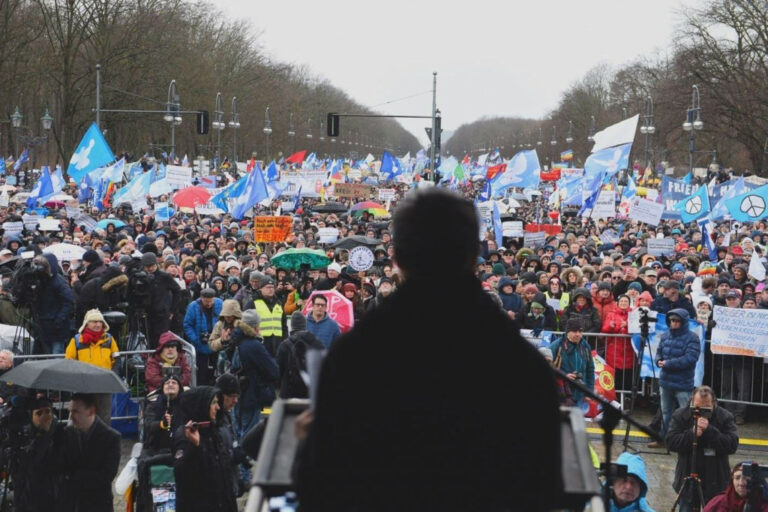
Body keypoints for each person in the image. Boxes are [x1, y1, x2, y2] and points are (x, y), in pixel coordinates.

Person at [296, 188, 561, 510]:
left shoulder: (354, 358)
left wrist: (307, 443)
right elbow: (543, 488)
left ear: (397, 259)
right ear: (473, 257)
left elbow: (319, 486)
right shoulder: (524, 367)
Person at [666, 386, 739, 508]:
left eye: (706, 408)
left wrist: (710, 431)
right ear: (691, 401)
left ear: (714, 404)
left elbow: (732, 445)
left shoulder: (725, 417)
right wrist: (691, 434)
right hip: (688, 475)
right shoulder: (680, 415)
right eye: (696, 408)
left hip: (715, 479)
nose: (700, 412)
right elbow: (671, 442)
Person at [173, 386, 238, 512]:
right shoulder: (185, 434)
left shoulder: (214, 432)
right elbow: (181, 474)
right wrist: (194, 446)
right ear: (201, 405)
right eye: (213, 403)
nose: (218, 407)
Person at [59, 393, 121, 512]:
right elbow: (60, 468)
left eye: (76, 412)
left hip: (97, 504)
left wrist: (74, 476)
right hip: (70, 503)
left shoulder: (111, 438)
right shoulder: (66, 433)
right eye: (70, 411)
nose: (71, 417)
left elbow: (106, 476)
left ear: (91, 411)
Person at [649, 308, 701, 448]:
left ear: (683, 322)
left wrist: (668, 363)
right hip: (666, 381)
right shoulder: (665, 336)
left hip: (683, 383)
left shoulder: (693, 338)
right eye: (672, 320)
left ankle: (686, 442)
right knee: (666, 413)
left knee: (686, 414)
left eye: (677, 321)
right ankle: (663, 439)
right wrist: (659, 360)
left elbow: (690, 358)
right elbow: (659, 352)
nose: (674, 323)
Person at [11, 396, 64, 512]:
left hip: (53, 497)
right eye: (39, 413)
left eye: (48, 412)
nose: (45, 417)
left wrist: (46, 435)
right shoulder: (25, 437)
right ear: (32, 417)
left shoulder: (61, 434)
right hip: (28, 499)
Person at [65, 309, 118, 425]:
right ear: (86, 323)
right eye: (94, 321)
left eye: (100, 322)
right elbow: (69, 362)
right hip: (84, 386)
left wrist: (112, 377)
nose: (98, 324)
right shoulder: (76, 341)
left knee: (104, 417)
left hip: (104, 385)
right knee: (82, 416)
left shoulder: (109, 339)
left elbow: (116, 360)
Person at [230, 309, 279, 435]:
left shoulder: (235, 339)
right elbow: (273, 370)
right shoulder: (253, 345)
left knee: (238, 430)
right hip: (252, 394)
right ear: (255, 326)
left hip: (236, 393)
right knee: (250, 434)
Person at [33, 253, 75, 354]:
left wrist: (59, 320)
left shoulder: (59, 282)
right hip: (43, 326)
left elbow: (68, 302)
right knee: (47, 356)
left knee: (56, 356)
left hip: (57, 328)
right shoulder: (40, 281)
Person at [276, 311, 324, 398]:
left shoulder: (284, 345)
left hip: (289, 392)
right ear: (305, 325)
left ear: (292, 326)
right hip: (310, 391)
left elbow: (278, 371)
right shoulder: (316, 343)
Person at [549, 318, 595, 406]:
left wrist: (589, 392)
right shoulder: (556, 346)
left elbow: (590, 369)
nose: (577, 334)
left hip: (580, 393)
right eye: (574, 331)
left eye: (580, 331)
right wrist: (564, 376)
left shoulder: (585, 346)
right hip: (562, 394)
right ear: (567, 332)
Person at [140, 251, 182, 348]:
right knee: (148, 342)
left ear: (156, 264)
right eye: (147, 266)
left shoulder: (164, 277)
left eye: (152, 265)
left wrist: (172, 310)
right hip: (146, 315)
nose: (150, 268)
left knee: (161, 342)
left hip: (161, 315)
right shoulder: (141, 277)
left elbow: (177, 291)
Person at [183, 287, 223, 385]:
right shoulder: (193, 306)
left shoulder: (220, 304)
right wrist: (195, 339)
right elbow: (187, 324)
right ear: (201, 298)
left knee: (215, 370)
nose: (208, 304)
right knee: (201, 371)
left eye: (211, 301)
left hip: (216, 342)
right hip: (200, 343)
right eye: (206, 301)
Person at [703, 462, 768, 511]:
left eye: (747, 479)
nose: (741, 483)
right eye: (737, 478)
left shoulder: (764, 504)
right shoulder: (718, 503)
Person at [251, 277, 285, 357]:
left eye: (272, 287)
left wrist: (284, 341)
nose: (271, 289)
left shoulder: (279, 303)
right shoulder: (253, 303)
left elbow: (284, 325)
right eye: (268, 287)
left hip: (277, 344)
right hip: (260, 343)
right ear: (261, 289)